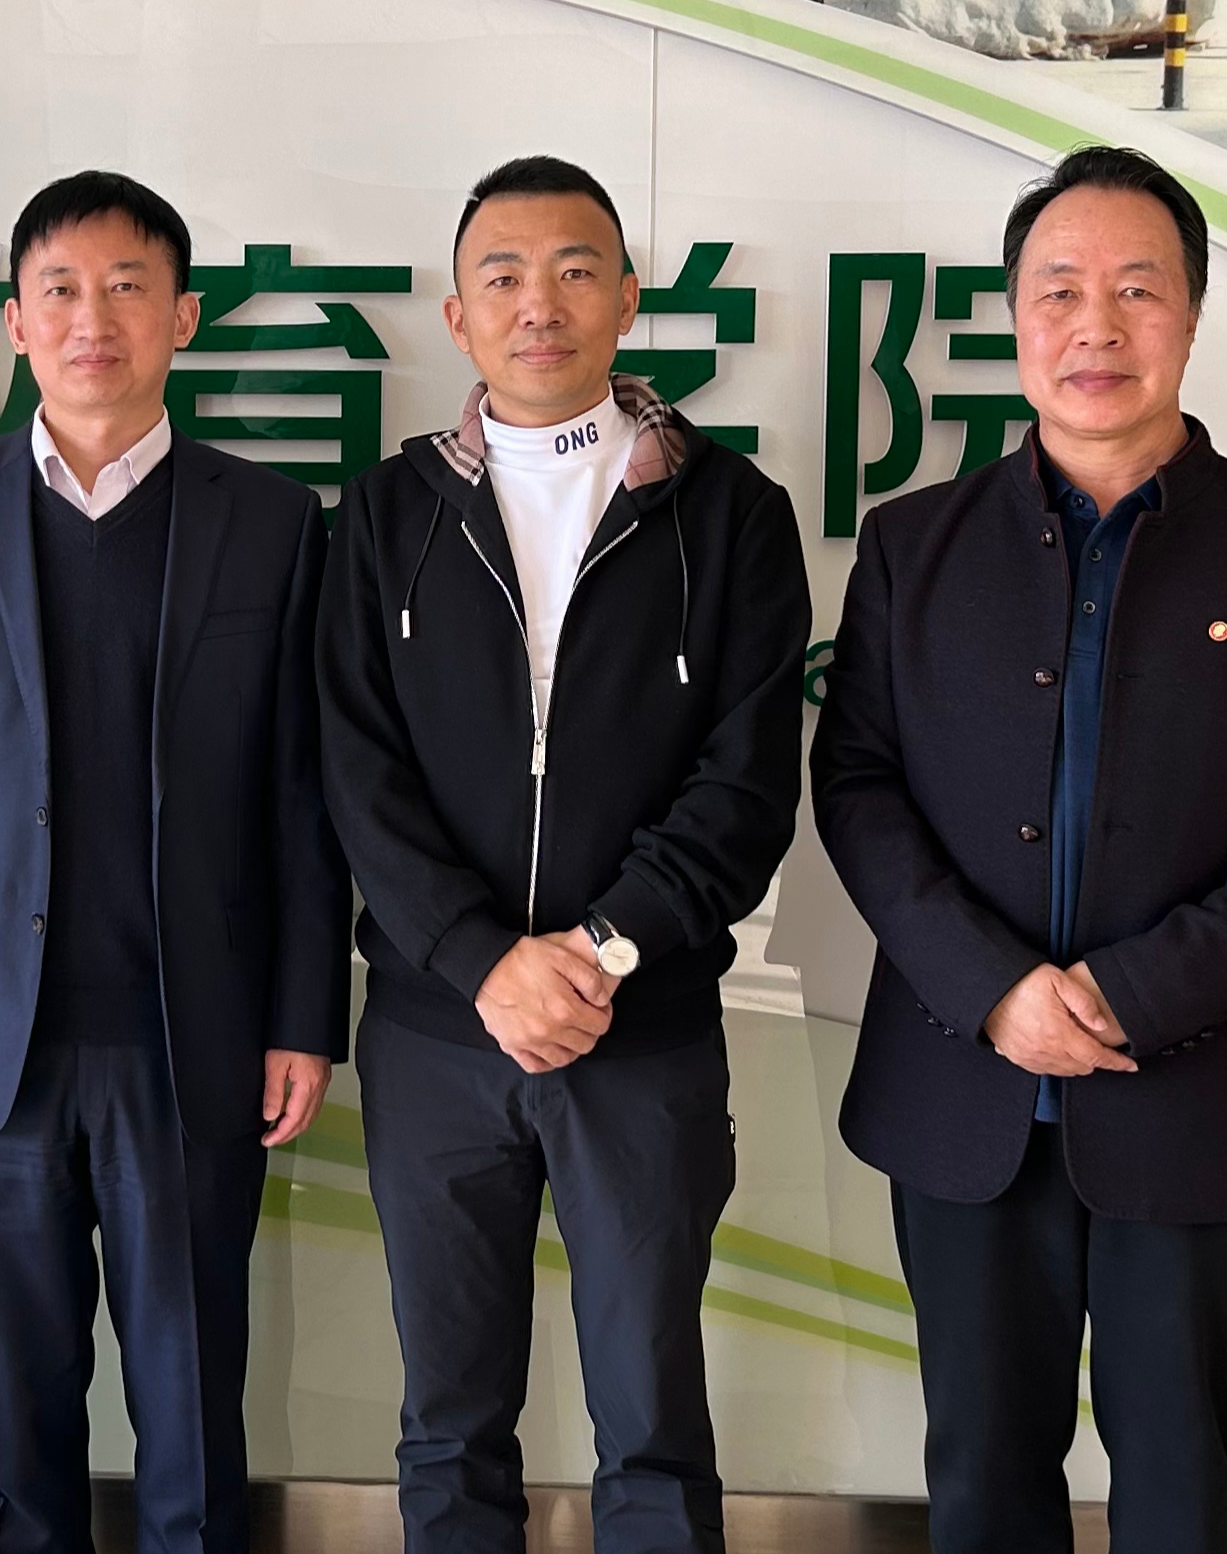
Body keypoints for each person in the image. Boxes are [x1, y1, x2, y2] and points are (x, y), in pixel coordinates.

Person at [811, 145, 1227, 1554]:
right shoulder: (911, 548)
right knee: (981, 1484)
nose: (1096, 326)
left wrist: (1134, 993)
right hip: (962, 1094)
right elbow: (858, 784)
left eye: (1136, 290)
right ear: (1015, 318)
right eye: (1058, 291)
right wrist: (994, 987)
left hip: (1192, 1099)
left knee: (1183, 1493)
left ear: (1190, 314)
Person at [0, 170, 347, 1554]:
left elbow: (302, 793)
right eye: (58, 290)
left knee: (193, 1402)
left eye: (128, 287)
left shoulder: (272, 521)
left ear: (183, 317)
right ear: (12, 323)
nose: (91, 319)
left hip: (196, 1032)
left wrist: (304, 1016)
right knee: (17, 1405)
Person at [315, 155, 809, 1554]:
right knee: (448, 1415)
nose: (540, 304)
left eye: (575, 270)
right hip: (436, 1030)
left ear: (627, 298)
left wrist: (593, 953)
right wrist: (482, 962)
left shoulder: (730, 513)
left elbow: (745, 782)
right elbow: (356, 771)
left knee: (650, 1414)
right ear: (457, 313)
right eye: (504, 276)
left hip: (637, 1028)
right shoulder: (384, 516)